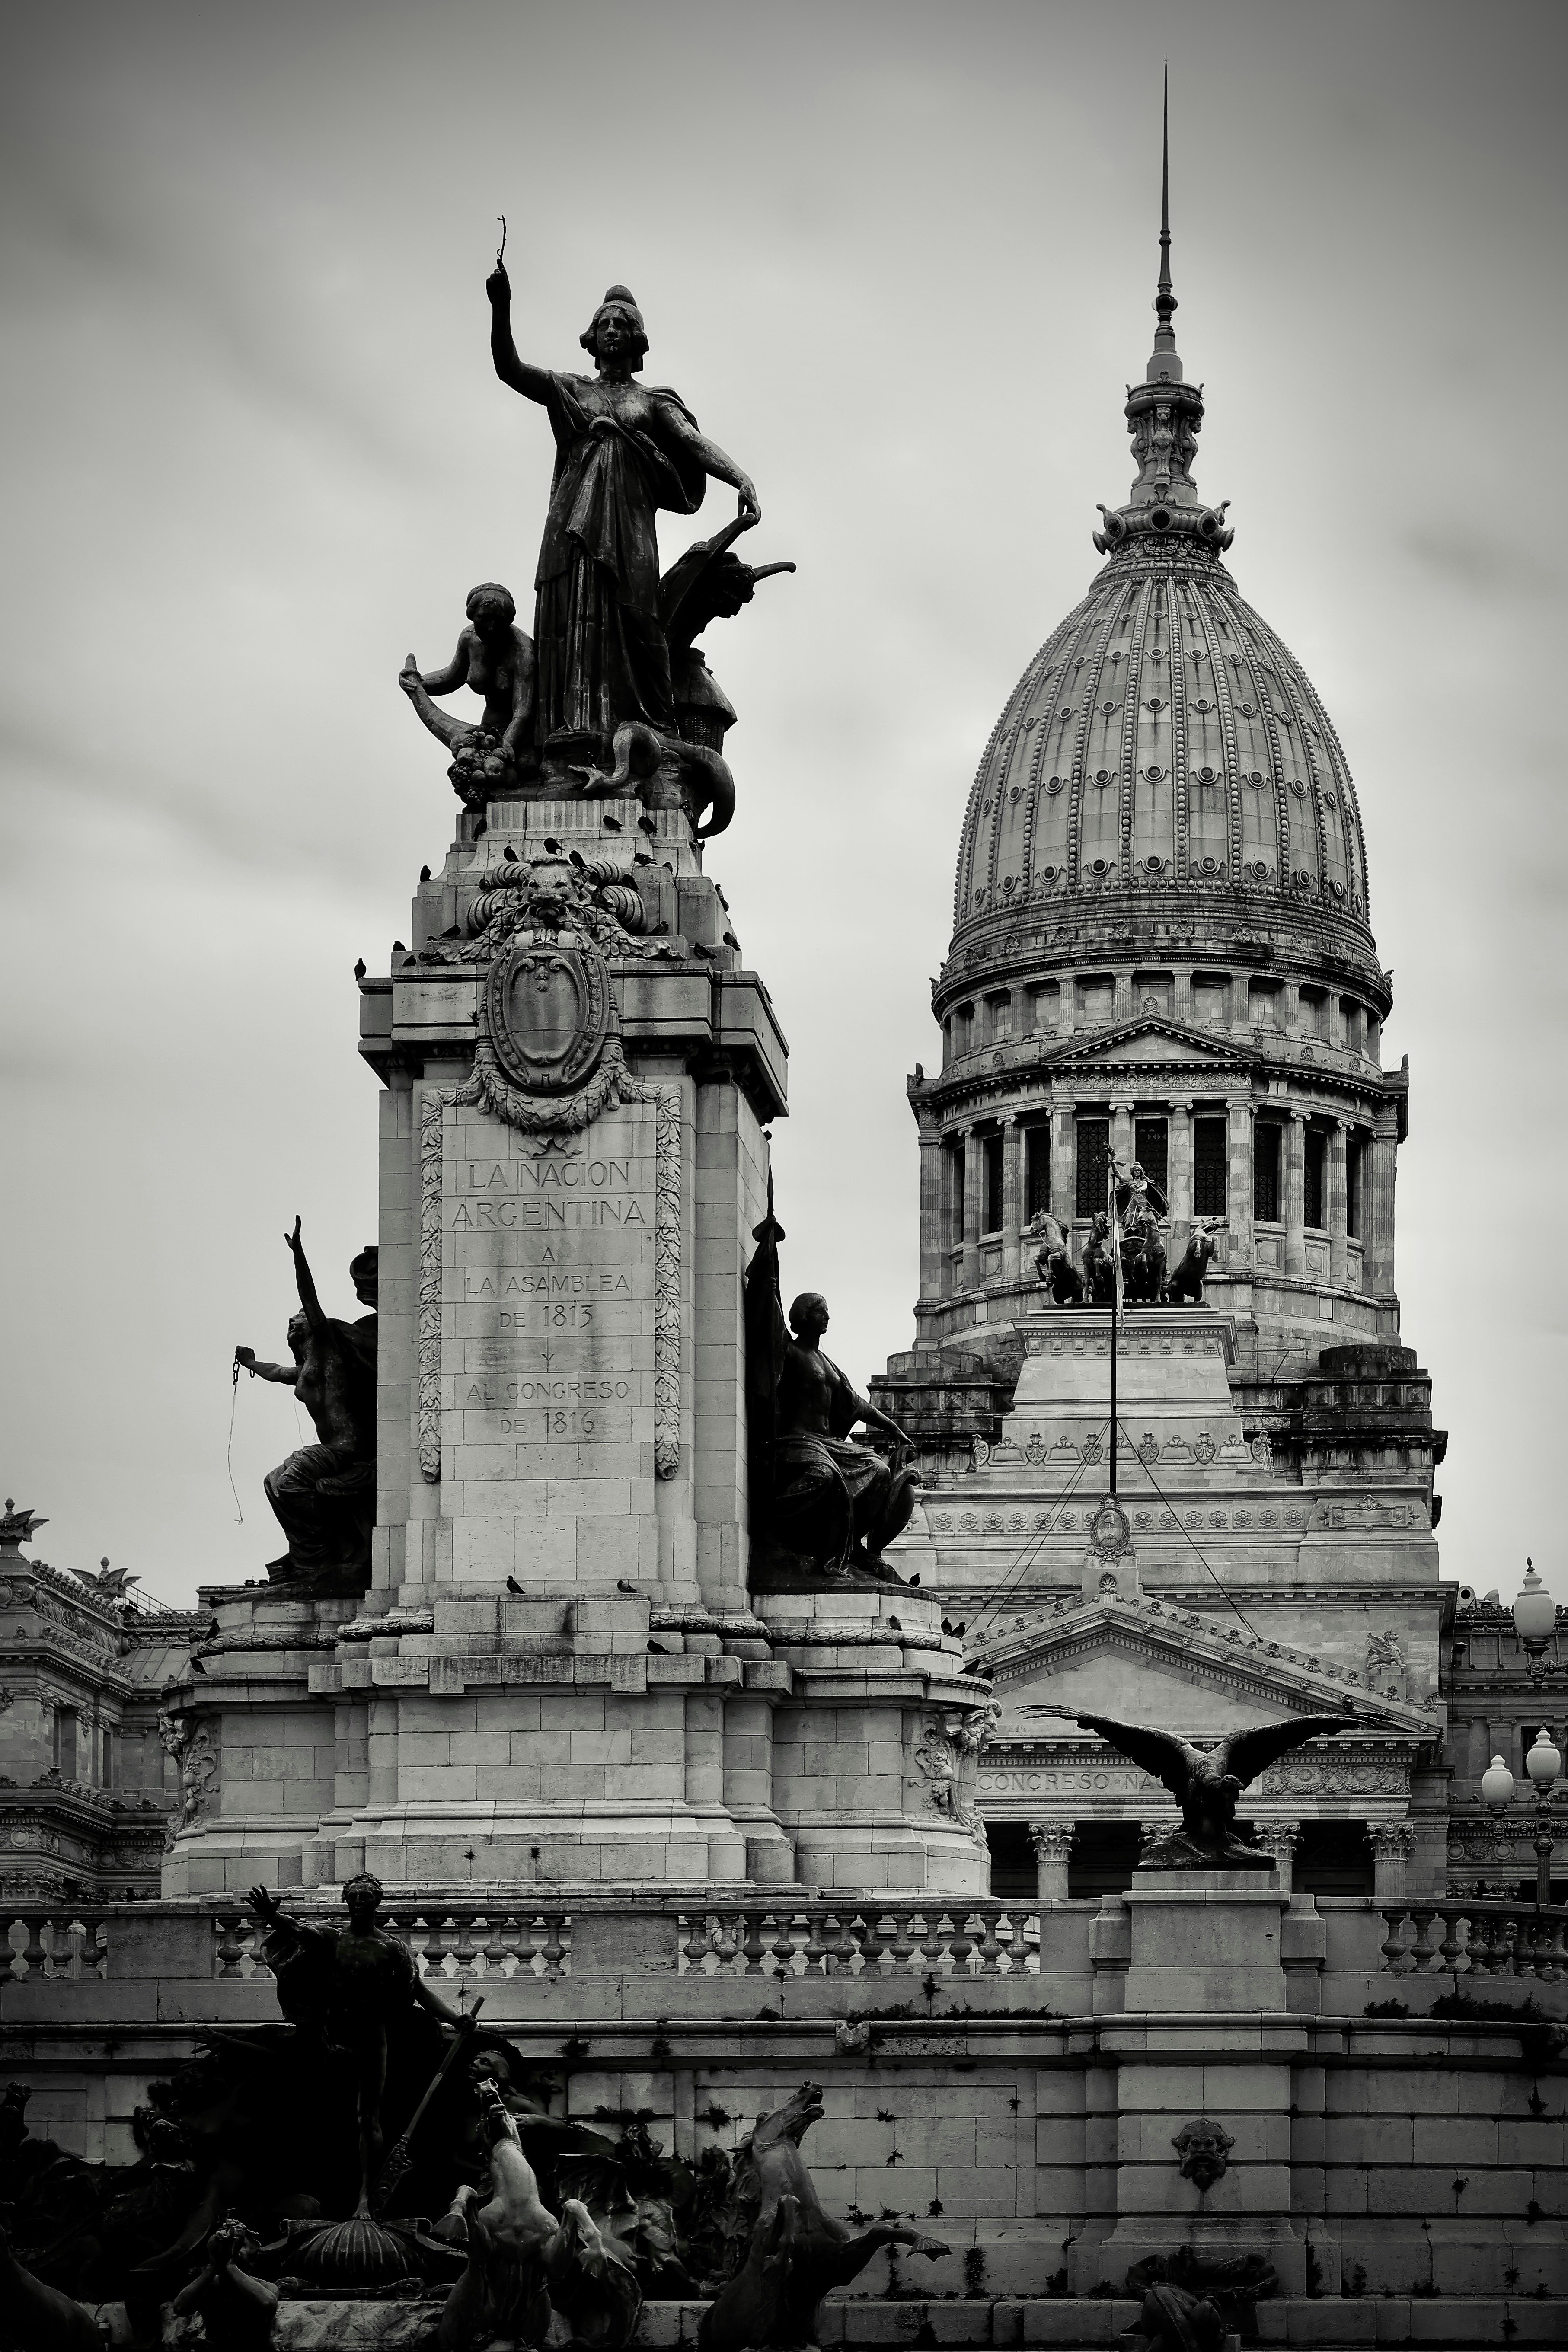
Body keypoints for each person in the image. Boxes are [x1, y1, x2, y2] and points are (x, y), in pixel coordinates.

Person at [485, 265, 760, 764]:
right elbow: (510, 368)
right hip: (572, 524)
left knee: (637, 622)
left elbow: (692, 443)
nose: (613, 330)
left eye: (622, 324)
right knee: (574, 619)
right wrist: (501, 306)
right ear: (593, 337)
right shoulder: (571, 389)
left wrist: (739, 476)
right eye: (605, 323)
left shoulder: (650, 401)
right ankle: (573, 732)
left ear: (635, 339)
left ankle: (645, 727)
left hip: (629, 531)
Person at [246, 1872, 457, 2218]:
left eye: (365, 1896)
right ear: (346, 1901)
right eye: (354, 1896)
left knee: (368, 2115)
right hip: (331, 2032)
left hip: (373, 2033)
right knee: (320, 2107)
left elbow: (419, 1992)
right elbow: (299, 1930)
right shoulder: (332, 1939)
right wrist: (271, 1916)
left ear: (377, 1901)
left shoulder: (392, 1948)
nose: (359, 1902)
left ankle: (365, 2193)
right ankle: (318, 2183)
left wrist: (454, 2019)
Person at [234, 1222, 377, 1589]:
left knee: (292, 1481)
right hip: (331, 1450)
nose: (292, 1322)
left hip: (347, 1449)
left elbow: (310, 1298)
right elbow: (276, 1371)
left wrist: (298, 1253)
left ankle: (322, 1552)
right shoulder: (307, 1368)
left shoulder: (329, 1346)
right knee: (273, 1482)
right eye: (289, 1321)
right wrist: (250, 1364)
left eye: (297, 1320)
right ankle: (309, 1553)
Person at [399, 581, 537, 778]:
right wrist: (418, 682)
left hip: (522, 735)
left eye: (499, 621)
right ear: (473, 616)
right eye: (484, 619)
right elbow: (452, 677)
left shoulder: (524, 652)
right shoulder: (469, 639)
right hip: (489, 730)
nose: (491, 627)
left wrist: (502, 750)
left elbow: (523, 713)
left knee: (521, 771)